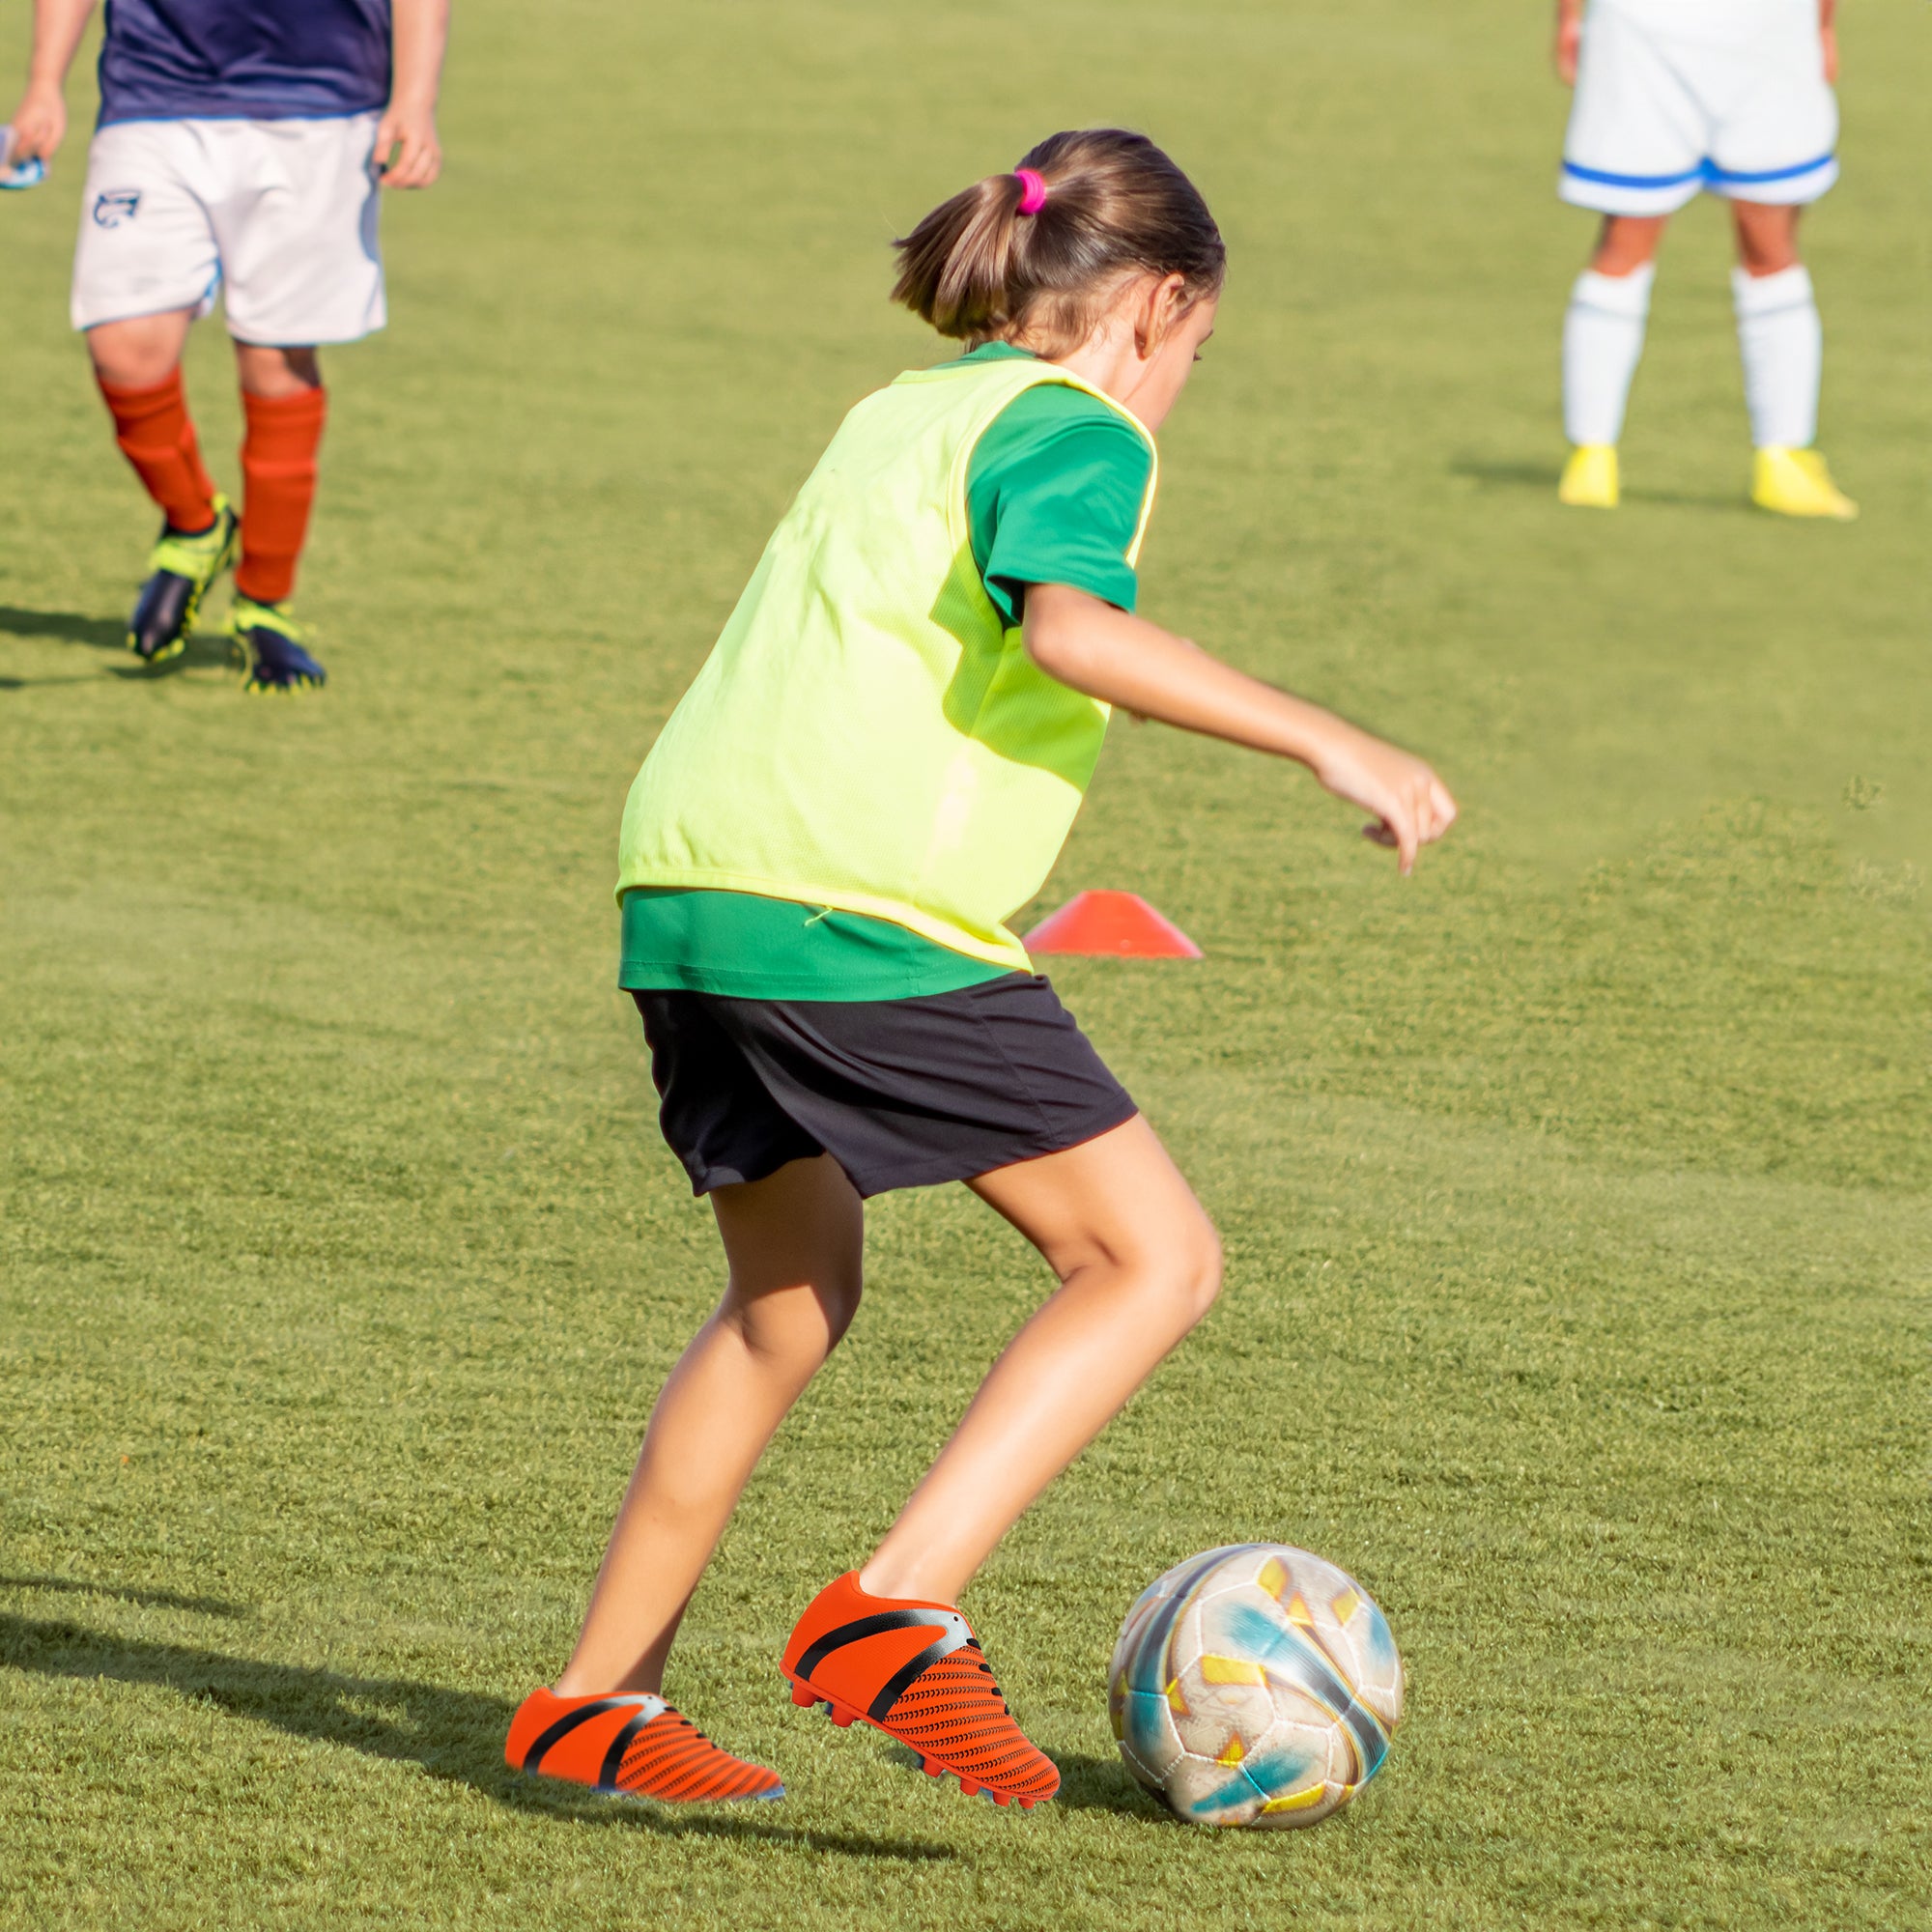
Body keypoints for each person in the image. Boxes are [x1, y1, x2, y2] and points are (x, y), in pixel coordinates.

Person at [502, 129, 1458, 1809]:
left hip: (690, 881)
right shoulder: (1075, 429)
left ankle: (595, 1700)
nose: (1184, 390)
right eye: (1199, 356)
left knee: (786, 1302)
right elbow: (1074, 632)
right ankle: (895, 1607)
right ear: (1156, 306)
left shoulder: (903, 405)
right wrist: (1337, 743)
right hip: (851, 905)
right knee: (1149, 1258)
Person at [4, 0, 449, 689]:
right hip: (153, 95)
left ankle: (265, 605)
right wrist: (43, 82)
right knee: (123, 345)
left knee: (276, 356)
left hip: (321, 106)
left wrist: (414, 100)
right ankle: (194, 525)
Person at [1552, 0, 1856, 518]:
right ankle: (1783, 459)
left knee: (1626, 235)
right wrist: (1822, 22)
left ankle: (1590, 458)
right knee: (1771, 241)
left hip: (1639, 22)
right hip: (1764, 22)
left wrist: (1569, 18)